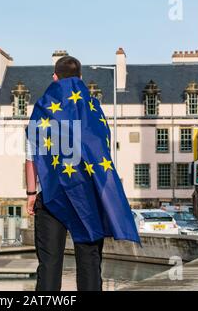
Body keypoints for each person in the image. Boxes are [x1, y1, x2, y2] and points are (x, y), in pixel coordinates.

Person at [25, 56, 140, 291]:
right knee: (89, 261)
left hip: (52, 196)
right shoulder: (94, 110)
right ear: (80, 78)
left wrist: (30, 193)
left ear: (54, 78)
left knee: (49, 263)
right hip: (86, 195)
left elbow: (32, 157)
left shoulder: (42, 109)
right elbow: (101, 153)